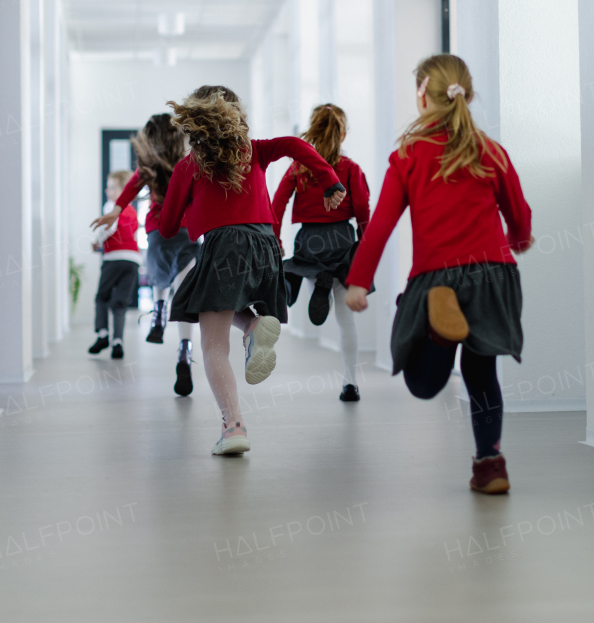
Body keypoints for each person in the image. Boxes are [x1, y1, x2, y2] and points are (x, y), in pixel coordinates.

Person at [344, 55, 533, 494]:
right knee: (482, 375)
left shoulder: (408, 155)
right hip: (493, 274)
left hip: (438, 279)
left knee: (423, 383)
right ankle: (491, 466)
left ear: (422, 95)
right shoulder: (490, 150)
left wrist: (359, 280)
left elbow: (380, 227)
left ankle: (438, 337)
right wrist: (519, 240)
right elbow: (518, 213)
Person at [160, 86, 346, 456]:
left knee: (212, 346)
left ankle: (234, 427)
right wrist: (331, 181)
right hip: (264, 246)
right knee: (222, 301)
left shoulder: (190, 165)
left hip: (224, 246)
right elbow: (295, 144)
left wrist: (189, 207)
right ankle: (254, 325)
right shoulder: (255, 149)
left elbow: (166, 228)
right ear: (236, 115)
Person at [92, 107, 226, 396]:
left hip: (157, 230)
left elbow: (130, 187)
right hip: (187, 230)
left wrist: (116, 210)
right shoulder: (191, 163)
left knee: (158, 277)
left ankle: (158, 311)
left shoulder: (150, 164)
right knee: (185, 288)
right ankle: (184, 350)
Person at [272, 104, 372, 402]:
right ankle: (350, 383)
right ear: (343, 133)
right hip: (342, 239)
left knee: (302, 266)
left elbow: (277, 204)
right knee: (345, 318)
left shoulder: (298, 168)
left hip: (309, 241)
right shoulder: (351, 168)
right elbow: (364, 209)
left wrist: (276, 240)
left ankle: (302, 279)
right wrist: (364, 244)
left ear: (312, 130)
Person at [89, 169, 142, 360]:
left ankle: (102, 334)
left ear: (123, 191)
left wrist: (97, 241)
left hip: (114, 258)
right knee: (120, 303)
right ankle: (117, 341)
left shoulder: (111, 206)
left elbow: (108, 227)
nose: (107, 191)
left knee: (101, 297)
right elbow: (133, 234)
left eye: (111, 187)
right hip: (133, 260)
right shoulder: (133, 211)